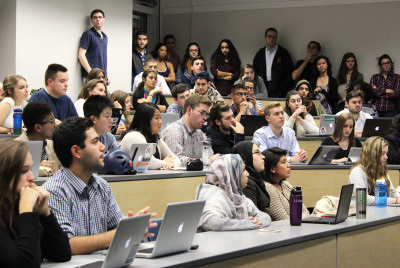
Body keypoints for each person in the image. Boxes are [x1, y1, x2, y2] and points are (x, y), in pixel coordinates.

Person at [43, 117, 156, 254]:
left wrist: (131, 227)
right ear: (76, 151)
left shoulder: (101, 185)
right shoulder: (54, 191)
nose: (103, 147)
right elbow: (67, 244)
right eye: (95, 142)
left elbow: (117, 226)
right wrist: (116, 235)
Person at [0, 139, 71, 266]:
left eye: (31, 169)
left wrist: (45, 214)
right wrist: (26, 211)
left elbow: (62, 253)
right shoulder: (21, 207)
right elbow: (28, 264)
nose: (32, 177)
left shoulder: (16, 204)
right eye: (23, 171)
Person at [195, 154, 271, 231]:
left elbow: (264, 216)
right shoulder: (212, 195)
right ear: (229, 174)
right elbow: (213, 223)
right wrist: (247, 224)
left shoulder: (238, 196)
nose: (248, 174)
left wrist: (254, 223)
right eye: (243, 170)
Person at [121, 103, 181, 169]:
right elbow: (148, 163)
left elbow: (177, 160)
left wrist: (172, 163)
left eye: (160, 118)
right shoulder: (134, 136)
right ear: (145, 121)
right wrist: (165, 162)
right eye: (156, 118)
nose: (160, 122)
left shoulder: (156, 138)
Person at [161, 94, 212, 164]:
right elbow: (175, 160)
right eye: (202, 113)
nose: (205, 118)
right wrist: (203, 160)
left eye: (207, 114)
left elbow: (209, 156)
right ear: (189, 110)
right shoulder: (174, 130)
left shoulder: (199, 133)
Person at [349, 136, 400, 206]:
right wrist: (395, 200)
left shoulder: (381, 170)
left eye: (386, 153)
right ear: (372, 154)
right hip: (362, 213)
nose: (386, 157)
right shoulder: (357, 172)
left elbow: (392, 193)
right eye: (382, 153)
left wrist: (398, 198)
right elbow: (363, 199)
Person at [262, 147, 310, 221]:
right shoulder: (267, 188)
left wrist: (299, 217)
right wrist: (300, 217)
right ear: (272, 169)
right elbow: (283, 219)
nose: (288, 165)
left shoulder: (286, 184)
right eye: (283, 162)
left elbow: (306, 212)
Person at [16, 102, 61, 176]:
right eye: (51, 121)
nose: (55, 125)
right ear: (38, 127)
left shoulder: (54, 145)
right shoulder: (15, 148)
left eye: (54, 120)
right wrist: (37, 168)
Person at [253, 28, 294, 98]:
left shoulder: (283, 53)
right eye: (269, 36)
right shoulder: (260, 54)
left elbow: (290, 72)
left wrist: (284, 87)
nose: (272, 39)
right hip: (263, 87)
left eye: (274, 37)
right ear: (265, 37)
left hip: (279, 89)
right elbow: (255, 70)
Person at [233, 141, 270, 213]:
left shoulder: (256, 179)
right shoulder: (246, 182)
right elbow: (253, 215)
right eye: (257, 152)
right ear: (245, 156)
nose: (263, 156)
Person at [78, 9, 109, 85]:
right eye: (95, 17)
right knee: (90, 97)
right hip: (91, 77)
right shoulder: (88, 34)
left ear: (104, 19)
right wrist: (91, 73)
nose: (98, 19)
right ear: (92, 20)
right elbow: (81, 55)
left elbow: (103, 58)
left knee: (102, 97)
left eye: (100, 17)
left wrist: (107, 75)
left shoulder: (105, 37)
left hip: (102, 77)